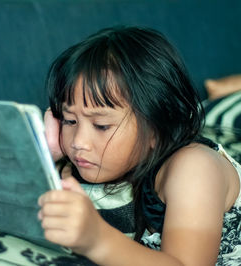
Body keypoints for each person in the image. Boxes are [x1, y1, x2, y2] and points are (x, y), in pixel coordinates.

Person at [37, 26, 241, 265]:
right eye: (70, 120)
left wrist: (98, 240)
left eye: (101, 125)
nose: (78, 142)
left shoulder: (195, 168)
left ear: (157, 125)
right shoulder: (75, 162)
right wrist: (45, 154)